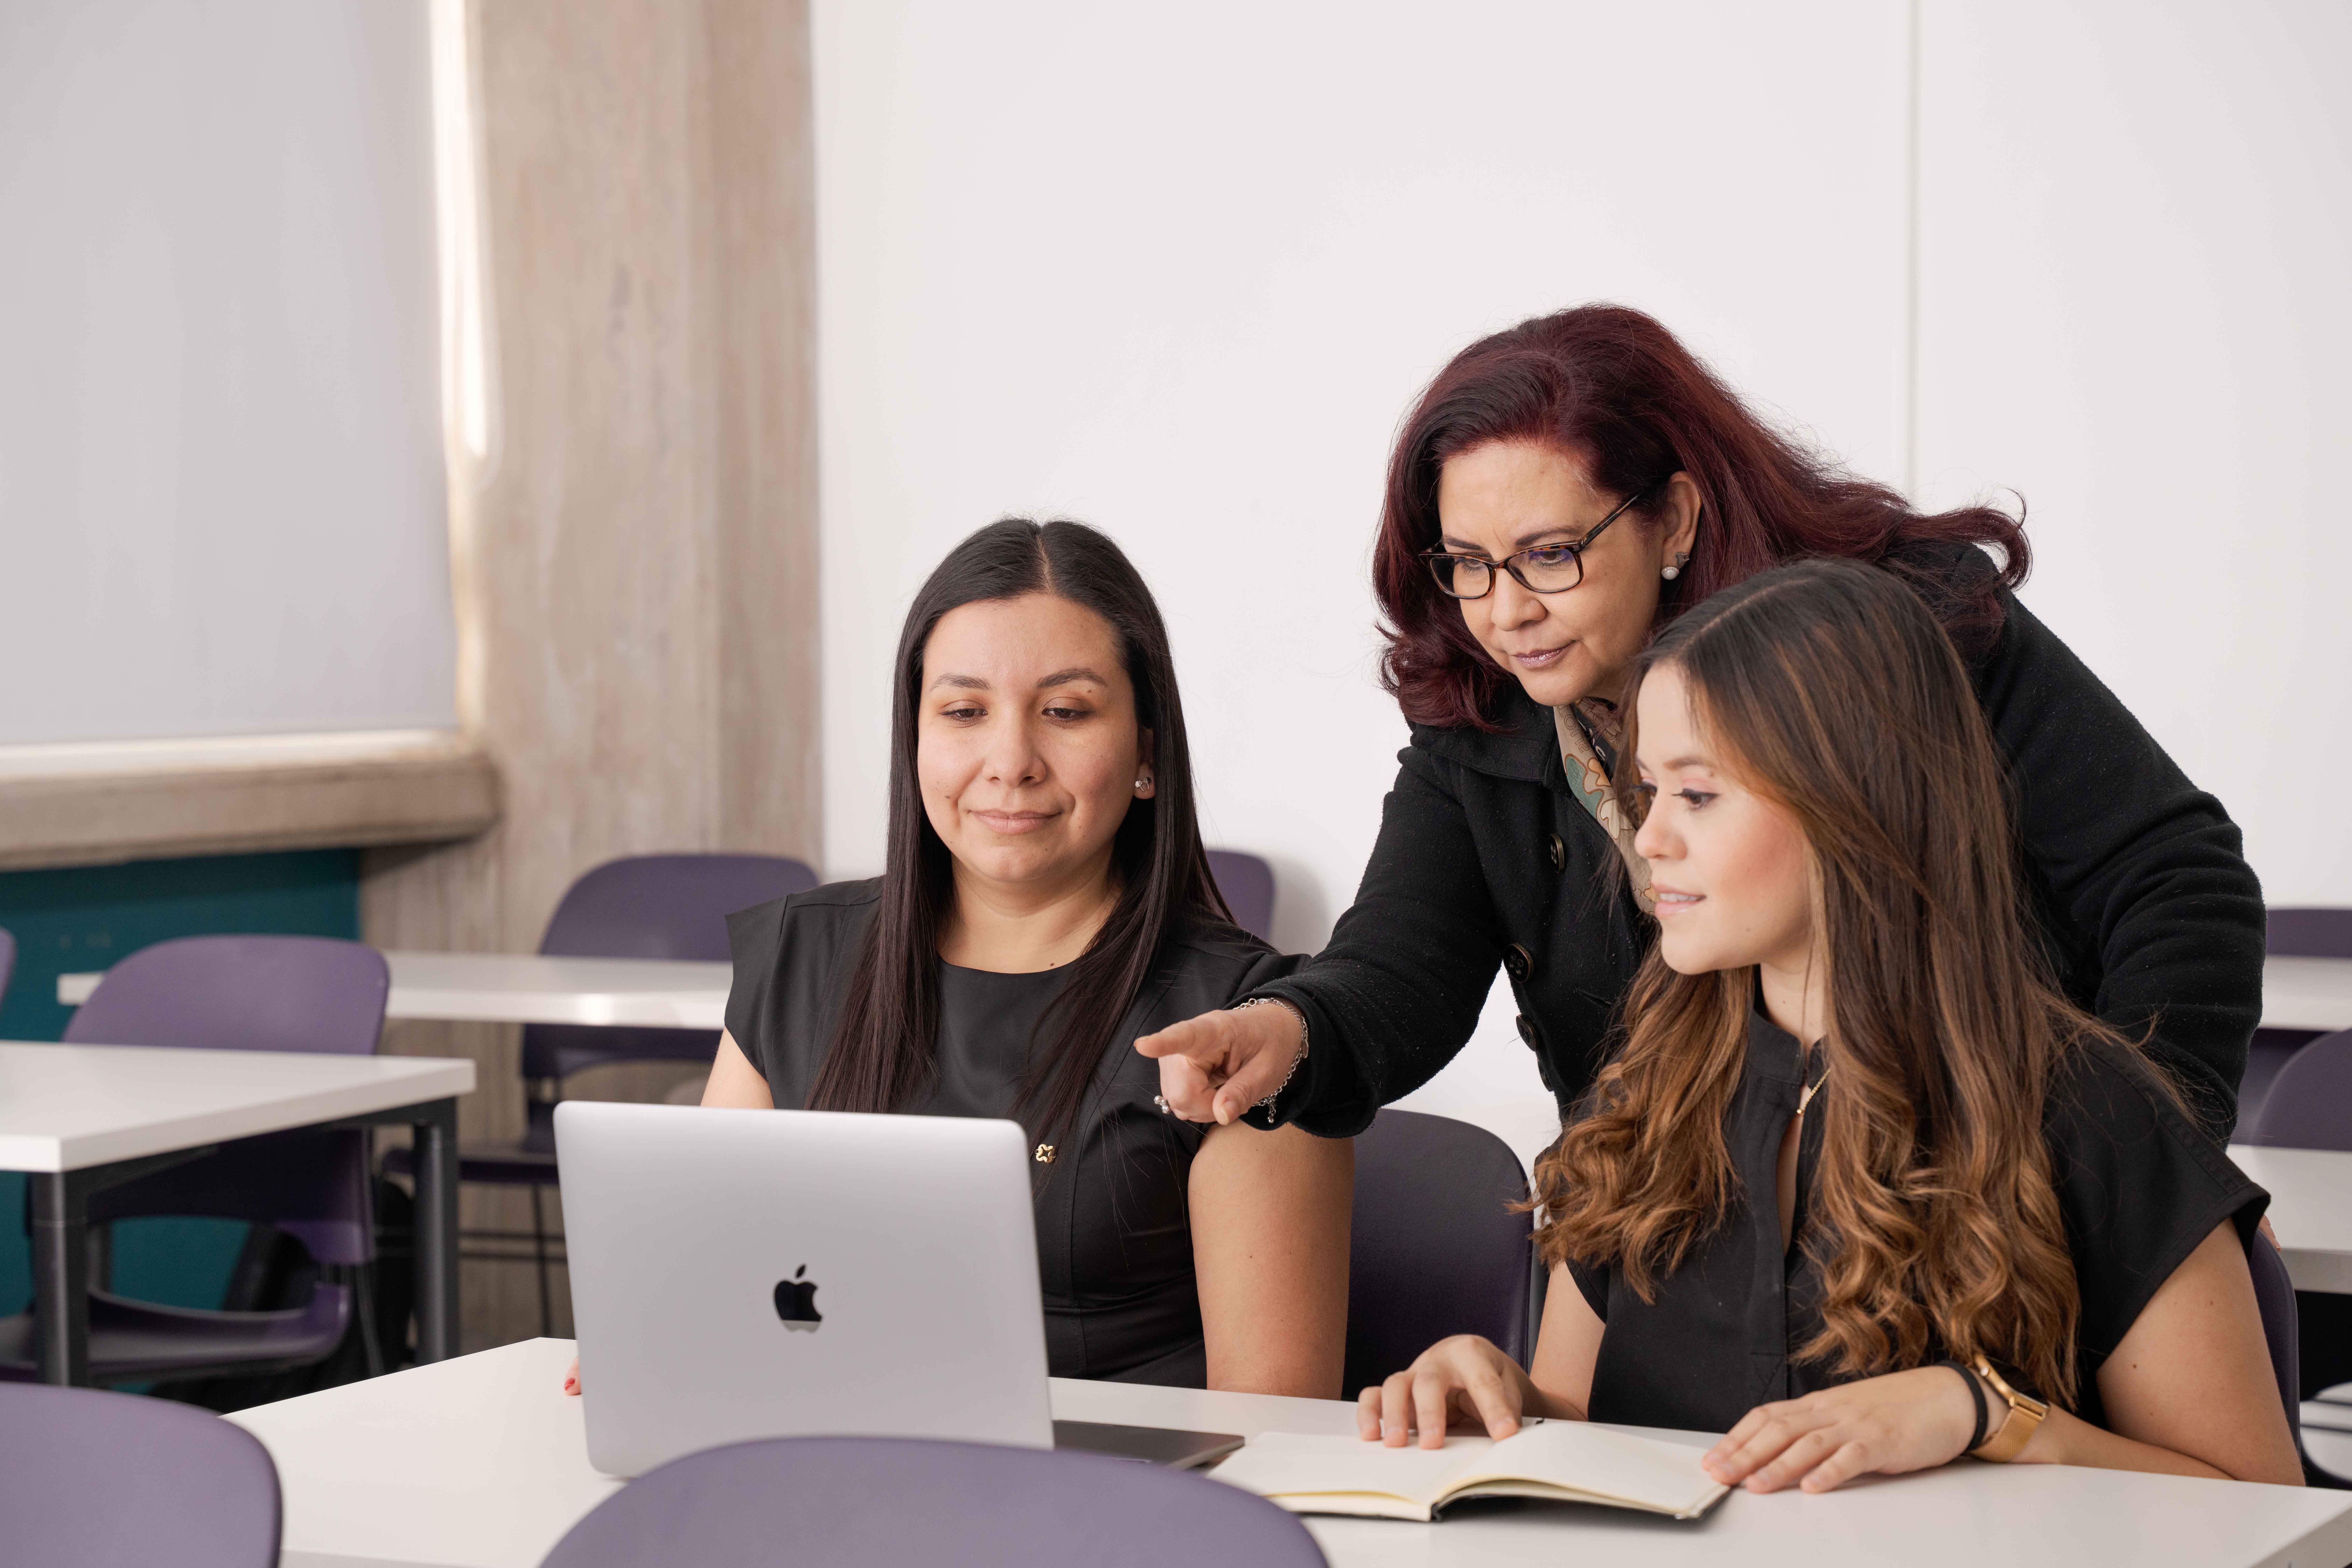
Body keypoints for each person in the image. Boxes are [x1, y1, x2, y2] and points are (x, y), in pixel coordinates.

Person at [1139, 305, 2264, 1145]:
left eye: (1548, 555)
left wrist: (2140, 1179)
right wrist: (1288, 1032)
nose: (1505, 612)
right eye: (1469, 566)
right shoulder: (1486, 714)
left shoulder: (1904, 633)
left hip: (1966, 1213)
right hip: (1685, 1245)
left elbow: (2175, 883)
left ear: (1673, 517)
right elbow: (1398, 970)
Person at [1359, 560, 2301, 1491]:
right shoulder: (1641, 1098)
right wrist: (1493, 1395)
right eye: (1649, 792)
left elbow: (2260, 1512)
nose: (1649, 840)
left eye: (1698, 795)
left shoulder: (2090, 1112)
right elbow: (1575, 1421)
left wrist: (1980, 1415)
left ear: (1855, 806)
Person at [564, 519, 1352, 1399]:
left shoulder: (1249, 1022)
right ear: (914, 741)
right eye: (964, 711)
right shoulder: (800, 957)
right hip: (820, 1480)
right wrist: (656, 1336)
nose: (1009, 761)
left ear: (1147, 755)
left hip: (1112, 1513)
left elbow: (1275, 1428)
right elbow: (703, 1278)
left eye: (1066, 711)